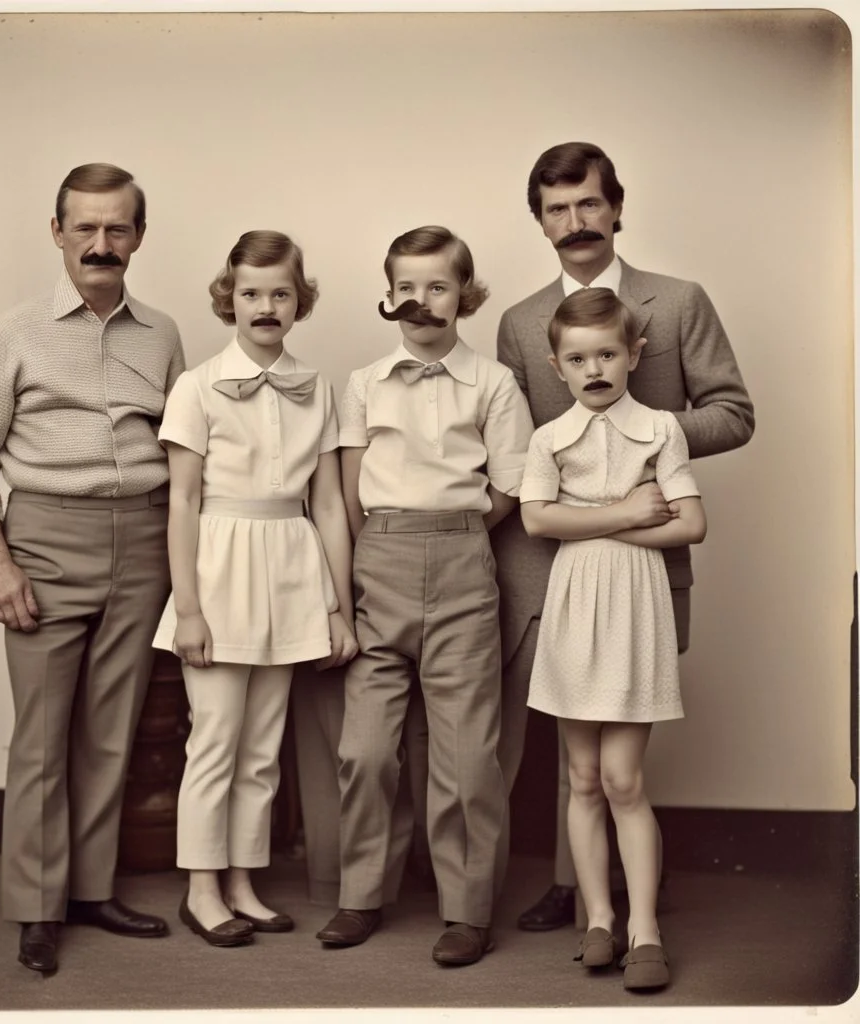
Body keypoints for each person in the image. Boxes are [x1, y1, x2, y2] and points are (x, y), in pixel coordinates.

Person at [493, 141, 754, 931]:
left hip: (647, 550)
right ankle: (581, 894)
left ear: (616, 207)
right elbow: (518, 442)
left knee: (623, 750)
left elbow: (734, 413)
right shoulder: (517, 322)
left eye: (589, 204)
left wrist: (637, 436)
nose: (576, 223)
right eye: (557, 210)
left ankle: (628, 896)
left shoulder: (676, 303)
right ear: (539, 221)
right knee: (569, 745)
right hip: (553, 562)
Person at [0, 163, 184, 974]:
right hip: (44, 540)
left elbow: (182, 449)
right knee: (42, 738)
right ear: (56, 233)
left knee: (109, 733)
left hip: (144, 540)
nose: (100, 243)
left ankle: (89, 890)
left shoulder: (164, 334)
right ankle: (37, 908)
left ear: (139, 237)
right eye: (84, 227)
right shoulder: (8, 336)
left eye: (117, 228)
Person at [316, 226, 533, 967]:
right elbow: (347, 489)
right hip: (380, 558)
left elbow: (509, 487)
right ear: (388, 294)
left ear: (464, 295)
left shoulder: (493, 383)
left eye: (437, 285)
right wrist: (368, 564)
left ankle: (468, 911)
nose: (420, 300)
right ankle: (362, 895)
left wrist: (454, 532)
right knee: (366, 748)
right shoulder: (364, 383)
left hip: (464, 560)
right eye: (405, 286)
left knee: (468, 753)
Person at [151, 230, 358, 947]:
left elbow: (328, 504)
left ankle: (241, 878)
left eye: (279, 293)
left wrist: (337, 605)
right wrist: (189, 609)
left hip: (291, 568)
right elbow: (181, 503)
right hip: (219, 568)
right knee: (215, 737)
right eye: (250, 293)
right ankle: (200, 887)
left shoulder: (317, 386)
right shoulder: (196, 387)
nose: (265, 306)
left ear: (299, 301)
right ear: (228, 298)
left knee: (263, 746)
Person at [520, 286, 707, 989]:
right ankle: (597, 919)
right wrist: (627, 509)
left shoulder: (660, 429)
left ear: (634, 354)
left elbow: (690, 524)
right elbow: (537, 521)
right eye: (577, 358)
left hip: (634, 602)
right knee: (582, 777)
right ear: (556, 365)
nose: (593, 368)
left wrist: (600, 518)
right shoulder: (548, 438)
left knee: (625, 779)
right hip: (575, 604)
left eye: (606, 353)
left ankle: (645, 929)